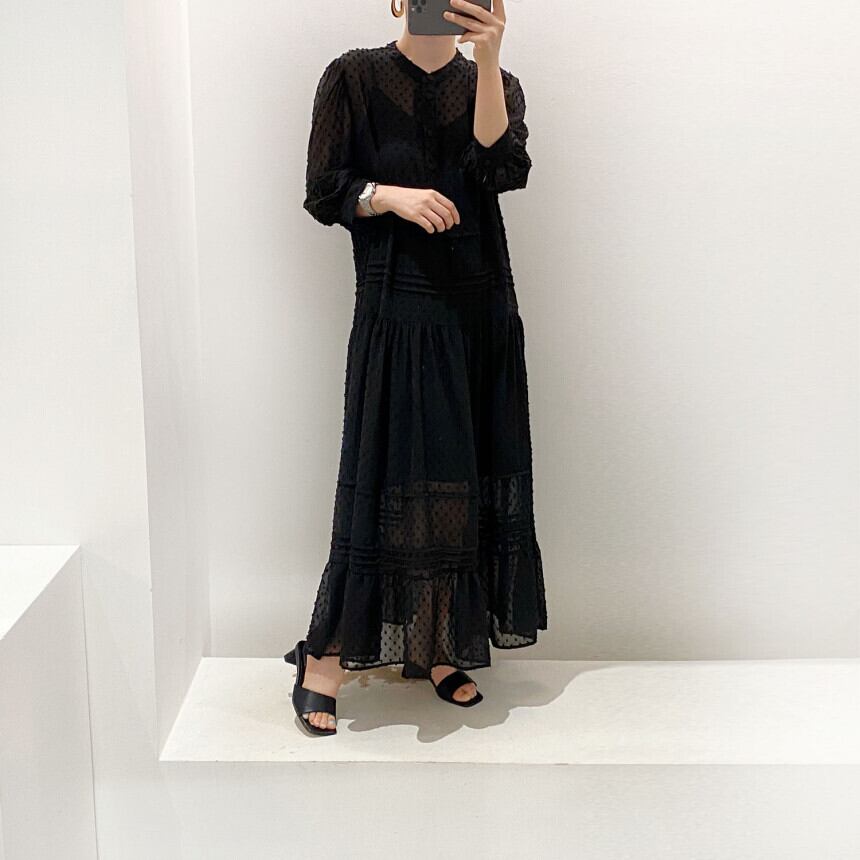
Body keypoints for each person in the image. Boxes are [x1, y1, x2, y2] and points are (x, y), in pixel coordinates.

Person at [283, 0, 547, 736]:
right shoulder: (353, 77)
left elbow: (501, 169)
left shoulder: (499, 84)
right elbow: (323, 189)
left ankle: (433, 644)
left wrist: (488, 60)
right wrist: (388, 196)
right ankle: (324, 657)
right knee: (385, 474)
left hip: (478, 307)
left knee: (460, 478)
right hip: (397, 306)